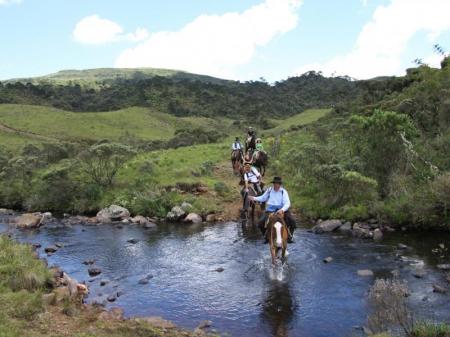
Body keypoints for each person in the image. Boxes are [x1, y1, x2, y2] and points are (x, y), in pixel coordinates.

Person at [249, 176, 296, 243]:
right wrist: (253, 198)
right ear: (273, 183)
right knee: (260, 223)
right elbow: (263, 198)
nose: (276, 185)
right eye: (275, 183)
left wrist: (282, 210)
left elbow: (287, 203)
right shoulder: (269, 190)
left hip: (281, 210)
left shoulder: (283, 192)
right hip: (270, 210)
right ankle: (266, 237)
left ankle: (289, 237)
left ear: (280, 184)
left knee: (293, 222)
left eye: (278, 183)